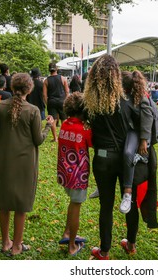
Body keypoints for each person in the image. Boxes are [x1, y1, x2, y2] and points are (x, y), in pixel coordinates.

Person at [0, 73, 54, 256]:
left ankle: (6, 242)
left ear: (10, 87)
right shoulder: (33, 110)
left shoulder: (0, 106)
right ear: (29, 89)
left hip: (5, 161)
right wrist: (48, 127)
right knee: (21, 206)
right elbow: (38, 140)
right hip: (25, 164)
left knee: (4, 204)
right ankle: (17, 246)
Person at [83, 54, 142, 259]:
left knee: (105, 206)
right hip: (126, 161)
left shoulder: (89, 104)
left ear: (94, 77)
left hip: (102, 160)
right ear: (116, 75)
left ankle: (104, 251)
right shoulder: (127, 104)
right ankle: (131, 244)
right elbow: (143, 126)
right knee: (131, 202)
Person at [57, 93, 92, 256]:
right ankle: (72, 246)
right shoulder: (84, 129)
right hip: (79, 176)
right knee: (76, 206)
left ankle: (66, 233)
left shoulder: (64, 124)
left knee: (72, 203)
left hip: (65, 174)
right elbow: (92, 143)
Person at [120, 71, 153, 215]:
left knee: (128, 153)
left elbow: (148, 119)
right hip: (132, 130)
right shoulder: (125, 97)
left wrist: (143, 141)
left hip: (141, 134)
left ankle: (127, 192)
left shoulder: (141, 98)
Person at [43, 62, 70, 142]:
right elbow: (67, 92)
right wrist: (66, 101)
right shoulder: (63, 78)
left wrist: (47, 103)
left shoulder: (46, 81)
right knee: (64, 119)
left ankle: (55, 138)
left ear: (49, 70)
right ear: (56, 69)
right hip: (62, 101)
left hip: (51, 101)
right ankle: (65, 137)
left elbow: (44, 95)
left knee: (53, 120)